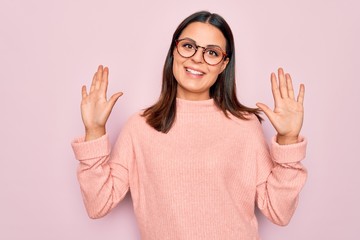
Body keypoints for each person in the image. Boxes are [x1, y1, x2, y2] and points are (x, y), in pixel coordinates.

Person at [71, 11, 307, 240]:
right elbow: (97, 205)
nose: (196, 58)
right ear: (174, 50)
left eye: (212, 53)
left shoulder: (244, 127)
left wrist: (288, 139)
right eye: (188, 46)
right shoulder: (139, 128)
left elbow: (279, 212)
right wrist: (94, 132)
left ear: (223, 64)